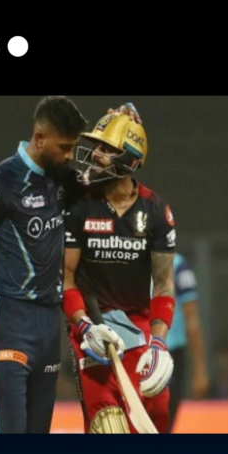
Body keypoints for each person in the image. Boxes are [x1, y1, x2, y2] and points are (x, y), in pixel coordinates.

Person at [0, 95, 88, 433]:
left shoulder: (63, 180)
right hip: (8, 319)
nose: (70, 155)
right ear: (40, 138)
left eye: (74, 147)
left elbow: (109, 180)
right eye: (65, 146)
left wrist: (121, 123)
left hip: (48, 323)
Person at [63, 111, 177, 434]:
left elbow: (164, 284)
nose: (95, 154)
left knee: (157, 412)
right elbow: (66, 278)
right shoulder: (80, 204)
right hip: (93, 330)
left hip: (137, 328)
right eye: (96, 146)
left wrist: (159, 343)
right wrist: (84, 326)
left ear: (130, 160)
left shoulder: (156, 211)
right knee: (108, 425)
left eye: (106, 148)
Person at [167, 254, 209, 432]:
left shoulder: (178, 267)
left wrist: (200, 371)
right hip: (142, 352)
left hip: (170, 352)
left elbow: (192, 320)